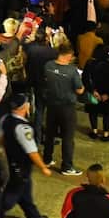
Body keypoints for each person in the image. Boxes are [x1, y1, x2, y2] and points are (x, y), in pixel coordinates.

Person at [0, 93, 50, 218]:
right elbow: (31, 151)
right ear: (25, 107)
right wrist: (43, 167)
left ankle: (33, 216)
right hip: (20, 167)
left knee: (25, 190)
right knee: (10, 197)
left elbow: (1, 140)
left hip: (9, 163)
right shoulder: (23, 128)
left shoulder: (5, 119)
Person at [40, 42, 83, 176]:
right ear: (69, 55)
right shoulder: (72, 71)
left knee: (50, 133)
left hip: (52, 105)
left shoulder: (48, 66)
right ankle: (67, 166)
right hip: (67, 108)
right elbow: (79, 89)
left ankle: (47, 159)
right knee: (68, 137)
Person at [83, 43, 109, 141]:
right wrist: (108, 94)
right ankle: (105, 134)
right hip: (107, 95)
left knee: (93, 112)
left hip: (94, 94)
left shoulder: (89, 63)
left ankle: (94, 131)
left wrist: (92, 91)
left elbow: (85, 79)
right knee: (107, 114)